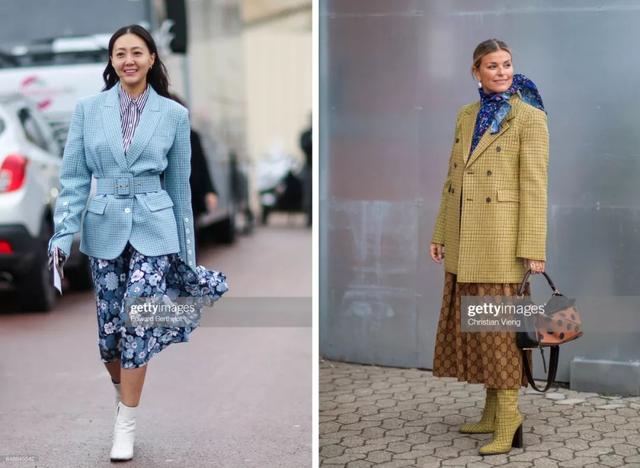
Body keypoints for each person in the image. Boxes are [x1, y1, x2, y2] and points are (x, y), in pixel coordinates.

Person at [47, 25, 228, 462]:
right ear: (112, 62)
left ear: (151, 59)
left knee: (139, 321)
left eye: (137, 52)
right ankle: (121, 399)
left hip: (155, 226)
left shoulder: (173, 115)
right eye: (120, 53)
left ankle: (126, 425)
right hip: (103, 228)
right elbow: (72, 179)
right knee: (109, 336)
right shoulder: (89, 110)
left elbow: (180, 189)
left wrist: (186, 257)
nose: (128, 60)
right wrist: (61, 234)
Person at [429, 38, 548, 455]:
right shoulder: (467, 115)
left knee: (501, 333)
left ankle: (511, 416)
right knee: (481, 329)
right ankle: (493, 411)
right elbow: (453, 180)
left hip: (502, 241)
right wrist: (441, 232)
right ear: (475, 71)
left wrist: (534, 248)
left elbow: (535, 188)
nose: (502, 72)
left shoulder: (529, 118)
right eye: (492, 66)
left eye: (507, 64)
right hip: (466, 237)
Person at [168, 94, 219, 219]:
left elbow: (202, 165)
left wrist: (210, 191)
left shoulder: (192, 136)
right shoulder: (157, 138)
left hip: (191, 196)